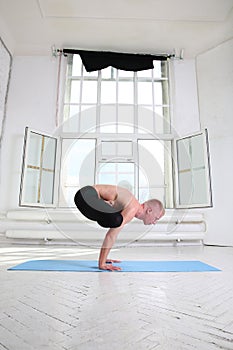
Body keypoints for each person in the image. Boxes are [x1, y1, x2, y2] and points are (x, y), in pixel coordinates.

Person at [74, 184, 165, 271]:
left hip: (84, 198)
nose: (154, 222)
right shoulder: (133, 207)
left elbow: (112, 233)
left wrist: (104, 258)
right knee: (116, 220)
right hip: (86, 195)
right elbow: (111, 235)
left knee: (115, 220)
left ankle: (108, 203)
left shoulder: (129, 207)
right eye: (156, 218)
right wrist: (102, 264)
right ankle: (107, 203)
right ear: (149, 211)